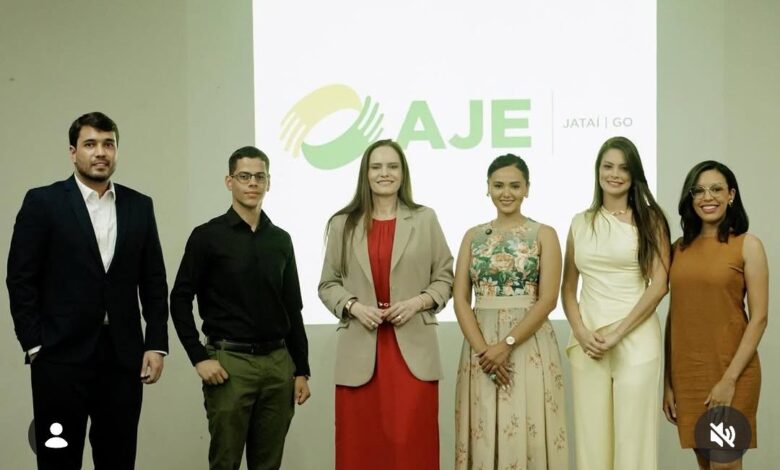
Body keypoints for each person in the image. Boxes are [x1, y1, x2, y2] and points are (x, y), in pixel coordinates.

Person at [6, 112, 169, 470]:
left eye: (108, 144)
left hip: (122, 359)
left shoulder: (139, 205)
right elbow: (20, 278)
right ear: (73, 152)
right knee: (58, 459)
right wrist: (35, 345)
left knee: (118, 460)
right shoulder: (43, 202)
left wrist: (155, 344)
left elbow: (154, 281)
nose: (100, 152)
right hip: (59, 359)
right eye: (90, 144)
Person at [170, 146, 311, 470]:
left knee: (268, 464)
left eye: (259, 177)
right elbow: (179, 299)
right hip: (229, 364)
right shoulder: (207, 236)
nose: (252, 183)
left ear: (269, 182)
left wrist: (301, 369)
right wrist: (199, 357)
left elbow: (293, 308)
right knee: (226, 462)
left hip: (278, 364)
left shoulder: (281, 240)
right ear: (229, 181)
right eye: (244, 176)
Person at [318, 139, 453, 470]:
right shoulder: (342, 223)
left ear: (403, 173)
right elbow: (327, 284)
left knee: (413, 447)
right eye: (376, 167)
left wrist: (418, 302)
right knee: (360, 449)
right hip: (359, 352)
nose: (384, 173)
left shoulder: (425, 218)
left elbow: (445, 278)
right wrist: (353, 306)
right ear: (365, 173)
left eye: (392, 166)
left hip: (413, 356)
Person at [561, 136, 670, 470]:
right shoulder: (580, 222)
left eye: (623, 168)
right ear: (598, 171)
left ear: (634, 174)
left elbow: (659, 285)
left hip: (636, 338)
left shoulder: (651, 219)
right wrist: (581, 332)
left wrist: (618, 333)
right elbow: (568, 288)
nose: (615, 174)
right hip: (589, 342)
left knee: (633, 438)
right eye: (608, 166)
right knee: (591, 439)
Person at [453, 154, 568, 469]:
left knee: (529, 428)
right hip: (481, 346)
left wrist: (506, 345)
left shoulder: (544, 233)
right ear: (487, 187)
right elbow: (460, 298)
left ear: (527, 188)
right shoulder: (473, 236)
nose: (506, 193)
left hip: (529, 344)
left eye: (515, 186)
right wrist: (484, 351)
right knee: (484, 425)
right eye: (498, 185)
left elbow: (548, 299)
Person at [663, 161, 766, 469]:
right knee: (706, 464)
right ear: (691, 198)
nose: (708, 197)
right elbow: (675, 316)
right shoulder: (677, 248)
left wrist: (729, 380)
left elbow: (759, 318)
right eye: (699, 190)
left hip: (731, 371)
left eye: (717, 189)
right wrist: (668, 383)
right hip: (688, 374)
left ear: (731, 195)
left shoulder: (748, 245)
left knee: (724, 464)